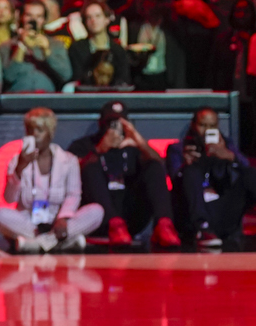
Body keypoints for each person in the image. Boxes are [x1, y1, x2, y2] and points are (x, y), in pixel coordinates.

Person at [167, 108, 256, 247]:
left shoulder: (225, 145)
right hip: (192, 214)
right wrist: (185, 165)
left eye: (212, 126)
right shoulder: (178, 149)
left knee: (254, 174)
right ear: (193, 125)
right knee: (191, 172)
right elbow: (175, 180)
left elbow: (245, 166)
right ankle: (202, 229)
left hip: (222, 210)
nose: (206, 130)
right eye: (202, 125)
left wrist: (229, 156)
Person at [67, 101, 181, 248]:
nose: (115, 126)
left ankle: (164, 225)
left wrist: (140, 142)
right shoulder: (85, 144)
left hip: (131, 213)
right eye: (110, 122)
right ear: (101, 123)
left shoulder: (133, 145)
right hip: (100, 217)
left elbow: (160, 165)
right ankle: (114, 225)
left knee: (152, 165)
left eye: (120, 122)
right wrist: (100, 149)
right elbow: (70, 172)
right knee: (90, 165)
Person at [0, 107, 104, 253]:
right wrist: (19, 168)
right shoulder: (17, 161)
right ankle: (60, 243)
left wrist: (63, 219)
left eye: (40, 130)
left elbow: (73, 194)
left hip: (58, 223)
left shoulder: (68, 160)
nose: (34, 135)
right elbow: (9, 198)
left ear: (50, 133)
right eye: (30, 130)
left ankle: (35, 244)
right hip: (30, 224)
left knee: (97, 211)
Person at [3, 0, 72, 92]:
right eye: (29, 15)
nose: (33, 20)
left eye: (38, 16)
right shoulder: (7, 46)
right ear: (22, 17)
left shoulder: (56, 44)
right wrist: (22, 46)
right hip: (18, 98)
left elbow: (66, 75)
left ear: (44, 20)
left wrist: (47, 51)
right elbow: (8, 77)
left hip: (46, 97)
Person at [68, 1, 131, 86]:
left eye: (98, 16)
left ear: (107, 19)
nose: (93, 20)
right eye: (89, 17)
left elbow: (124, 79)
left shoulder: (118, 51)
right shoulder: (76, 49)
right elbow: (77, 77)